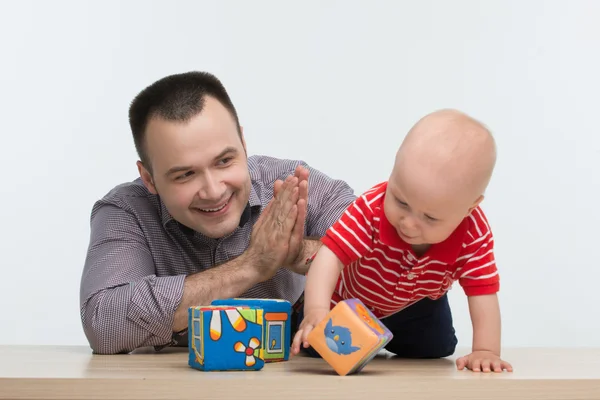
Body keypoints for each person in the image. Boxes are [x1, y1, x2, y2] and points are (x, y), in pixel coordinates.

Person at [79, 71, 357, 355]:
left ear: (243, 144)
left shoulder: (300, 186)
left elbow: (384, 258)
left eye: (224, 161)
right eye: (185, 175)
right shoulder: (125, 211)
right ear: (149, 178)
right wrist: (251, 265)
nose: (213, 191)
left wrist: (295, 252)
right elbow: (104, 323)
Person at [291, 109, 513, 373]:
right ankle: (303, 314)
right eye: (400, 201)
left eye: (430, 218)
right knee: (319, 347)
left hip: (417, 303)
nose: (407, 223)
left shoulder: (474, 234)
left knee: (436, 350)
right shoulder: (371, 208)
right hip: (348, 300)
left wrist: (486, 351)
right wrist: (317, 309)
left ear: (469, 208)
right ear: (395, 167)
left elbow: (483, 292)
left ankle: (391, 339)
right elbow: (329, 256)